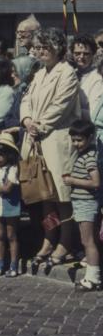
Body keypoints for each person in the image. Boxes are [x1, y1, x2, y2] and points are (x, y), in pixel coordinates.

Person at [20, 27, 80, 271]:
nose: (41, 51)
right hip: (36, 140)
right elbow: (26, 99)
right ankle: (49, 238)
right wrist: (26, 120)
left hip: (56, 140)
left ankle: (65, 242)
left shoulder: (67, 73)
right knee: (45, 197)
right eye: (38, 47)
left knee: (62, 196)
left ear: (58, 48)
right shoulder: (39, 73)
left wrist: (39, 125)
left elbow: (60, 105)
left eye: (46, 47)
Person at [64, 119, 101, 291]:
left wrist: (73, 181)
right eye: (73, 140)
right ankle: (93, 274)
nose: (76, 143)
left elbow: (95, 182)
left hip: (87, 204)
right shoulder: (84, 154)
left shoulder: (89, 157)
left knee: (88, 241)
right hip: (81, 204)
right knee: (87, 240)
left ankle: (93, 278)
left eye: (79, 140)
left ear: (90, 137)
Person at [0, 134, 21, 278]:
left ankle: (13, 265)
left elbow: (7, 189)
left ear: (9, 154)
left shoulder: (12, 168)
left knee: (11, 235)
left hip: (11, 205)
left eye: (1, 155)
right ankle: (0, 265)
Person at [72, 34, 103, 120]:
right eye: (77, 53)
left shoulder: (97, 78)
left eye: (86, 54)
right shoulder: (70, 73)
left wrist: (69, 110)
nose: (81, 57)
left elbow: (93, 113)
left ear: (93, 54)